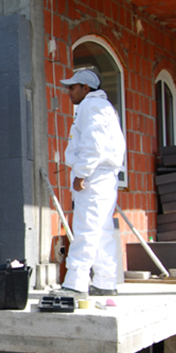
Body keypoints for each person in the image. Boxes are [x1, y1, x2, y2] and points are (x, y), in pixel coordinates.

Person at [52, 68, 126, 298]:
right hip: (103, 175)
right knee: (101, 230)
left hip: (93, 176)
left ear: (86, 88)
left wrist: (82, 174)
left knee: (85, 228)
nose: (68, 92)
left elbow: (93, 143)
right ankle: (105, 282)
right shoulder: (102, 107)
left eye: (72, 88)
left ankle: (75, 284)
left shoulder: (91, 106)